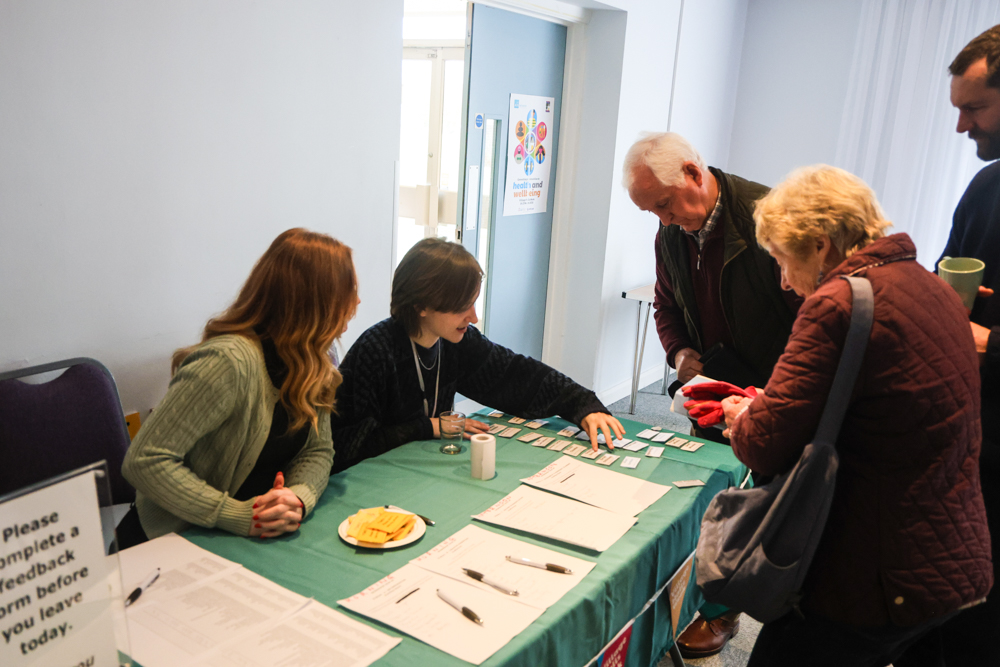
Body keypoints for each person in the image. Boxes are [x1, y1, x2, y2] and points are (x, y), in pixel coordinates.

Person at [720, 166, 992, 667]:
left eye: (783, 259)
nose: (783, 281)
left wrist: (742, 415)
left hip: (875, 573)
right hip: (951, 556)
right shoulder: (929, 286)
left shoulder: (837, 304)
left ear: (820, 245)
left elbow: (763, 443)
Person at [622, 131, 800, 656]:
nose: (662, 219)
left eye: (664, 204)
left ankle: (726, 612)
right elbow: (665, 304)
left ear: (695, 175)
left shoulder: (768, 218)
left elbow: (809, 316)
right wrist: (680, 356)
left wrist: (780, 392)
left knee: (755, 502)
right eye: (651, 211)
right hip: (710, 387)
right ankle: (697, 598)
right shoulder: (670, 234)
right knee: (708, 495)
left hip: (770, 389)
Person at [119, 229, 357, 547]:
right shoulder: (228, 361)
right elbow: (145, 461)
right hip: (172, 541)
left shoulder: (316, 362)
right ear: (313, 303)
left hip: (248, 537)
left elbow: (318, 450)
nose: (356, 302)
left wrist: (297, 499)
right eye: (347, 292)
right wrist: (237, 514)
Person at [329, 238, 623, 474]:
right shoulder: (376, 350)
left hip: (427, 471)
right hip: (374, 482)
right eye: (462, 307)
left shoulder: (458, 341)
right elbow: (351, 446)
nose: (474, 317)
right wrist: (428, 427)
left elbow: (518, 375)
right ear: (422, 306)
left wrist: (583, 404)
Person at [895, 24, 1000, 667]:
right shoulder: (985, 188)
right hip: (961, 447)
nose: (961, 126)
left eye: (974, 107)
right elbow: (944, 279)